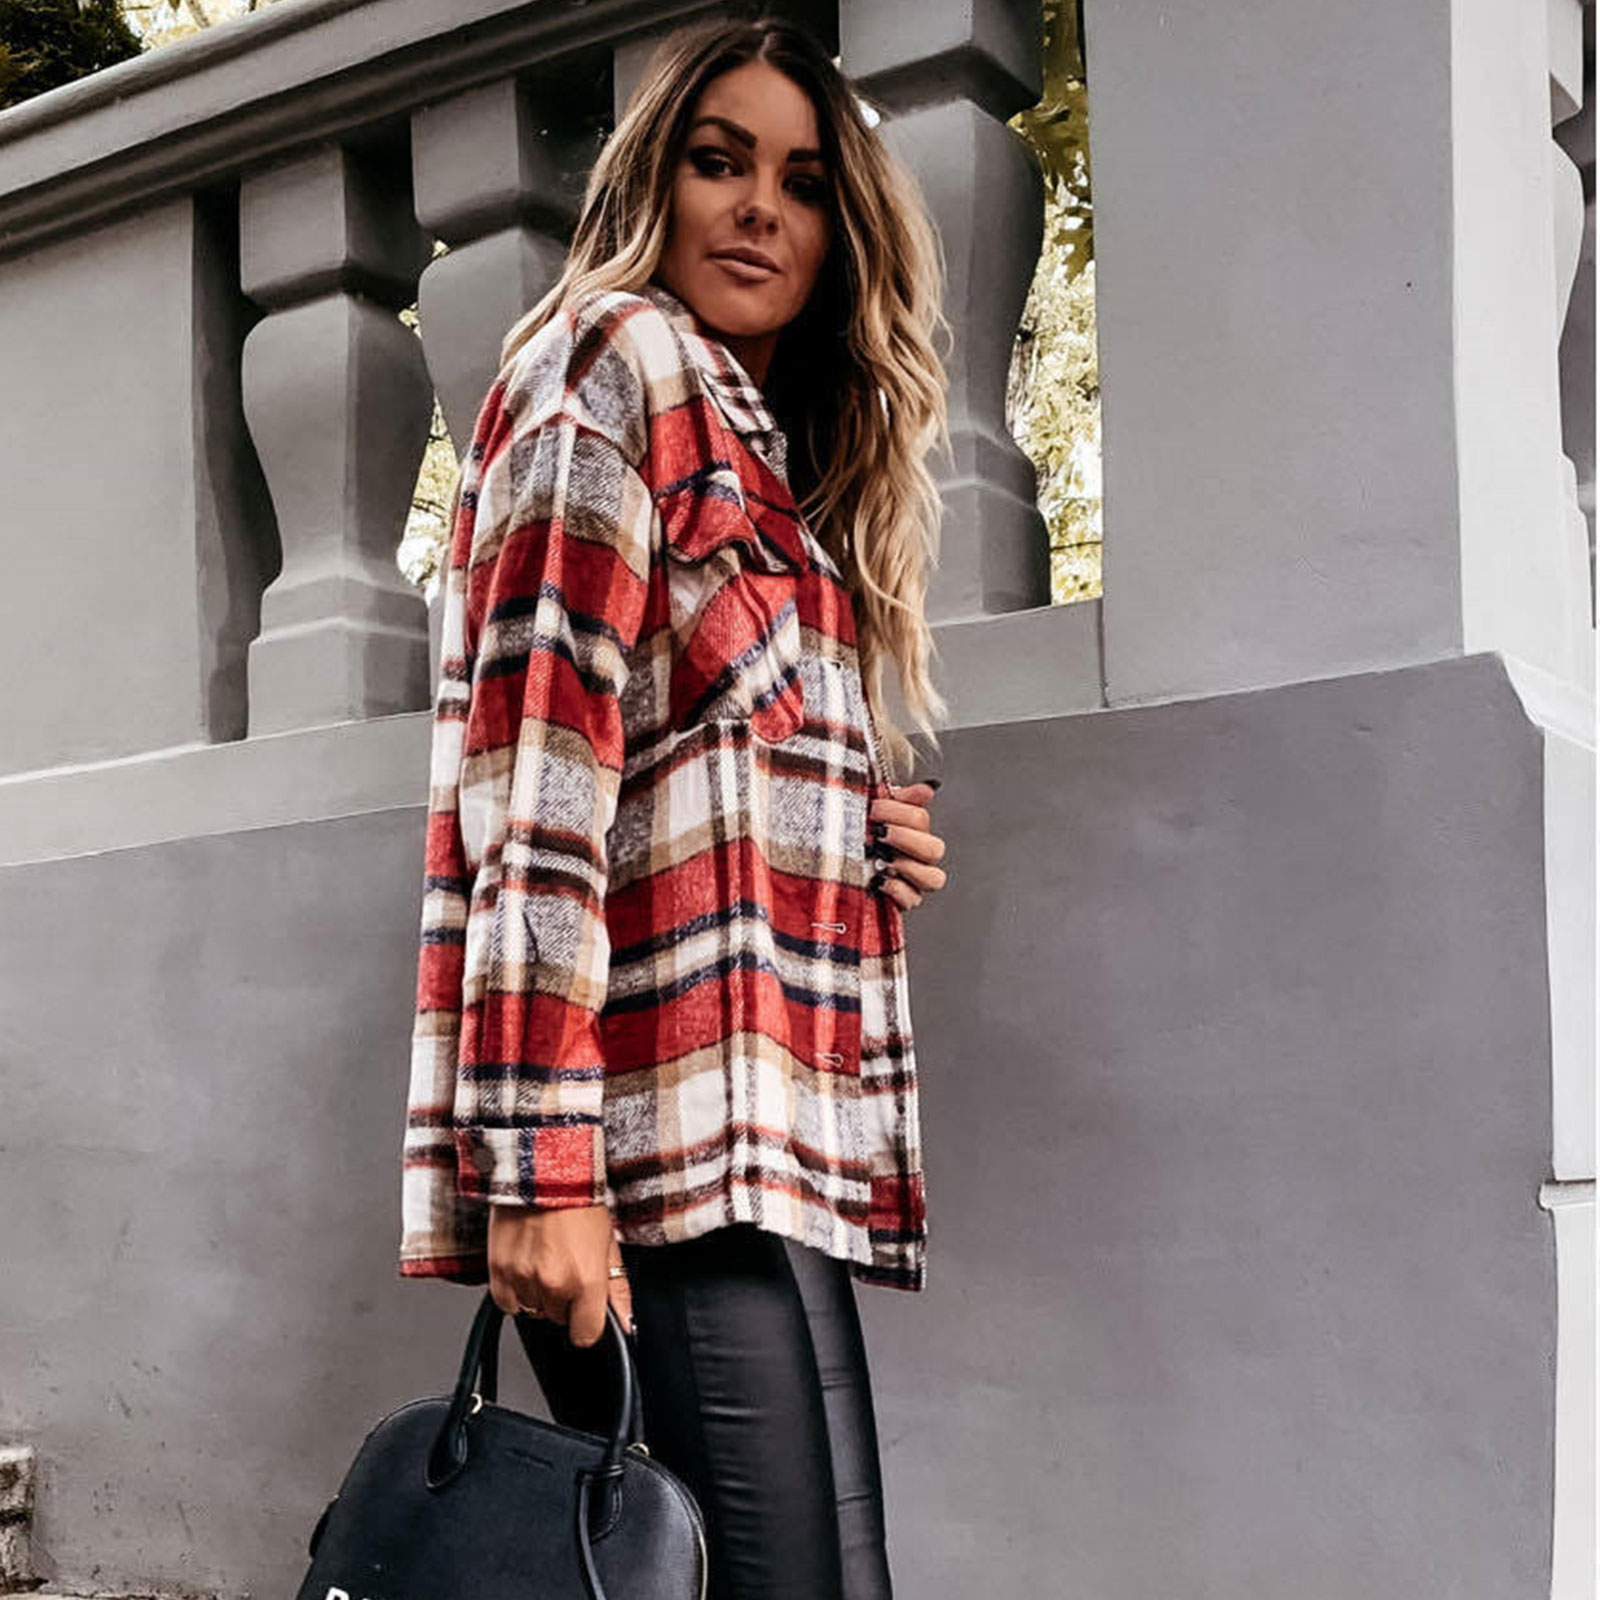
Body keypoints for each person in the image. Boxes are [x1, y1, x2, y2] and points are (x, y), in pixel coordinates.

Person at [398, 16, 952, 1599]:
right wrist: (542, 1171)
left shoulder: (766, 463)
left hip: (757, 1140)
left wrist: (853, 841)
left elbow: (677, 781)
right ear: (659, 182)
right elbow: (538, 792)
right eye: (721, 162)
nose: (761, 206)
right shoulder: (610, 365)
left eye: (803, 181)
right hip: (644, 1158)